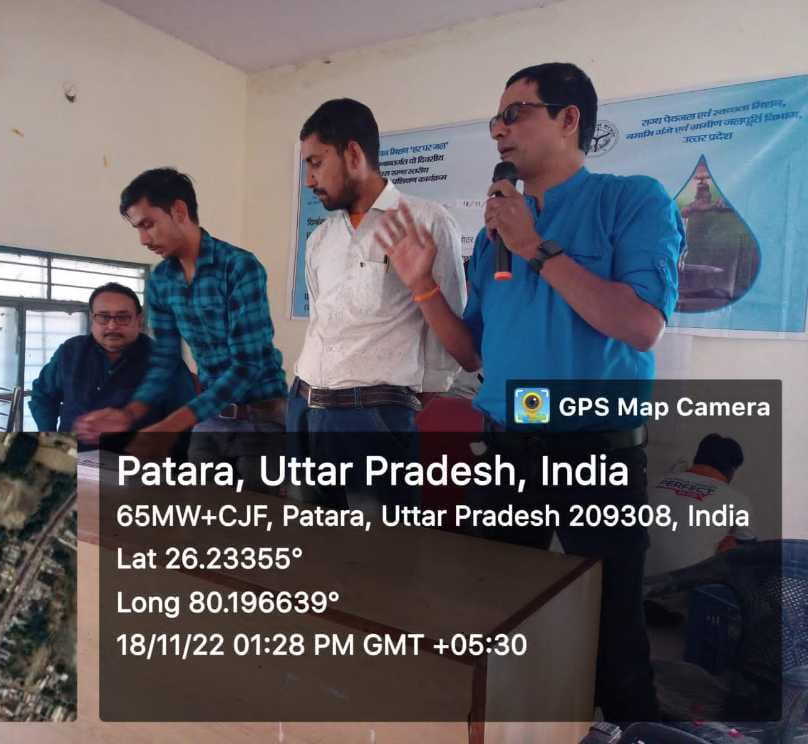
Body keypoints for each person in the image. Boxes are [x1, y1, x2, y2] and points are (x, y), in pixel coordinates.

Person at [378, 63, 685, 723]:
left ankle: (631, 730)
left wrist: (536, 247)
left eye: (515, 113)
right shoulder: (496, 235)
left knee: (613, 636)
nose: (498, 129)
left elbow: (640, 325)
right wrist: (422, 285)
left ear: (569, 119)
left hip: (596, 456)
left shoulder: (631, 200)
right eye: (495, 119)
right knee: (488, 616)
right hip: (505, 452)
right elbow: (473, 353)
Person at [288, 98, 466, 509]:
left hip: (370, 419)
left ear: (353, 155)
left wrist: (390, 410)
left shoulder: (426, 222)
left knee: (377, 546)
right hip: (303, 408)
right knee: (308, 538)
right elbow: (320, 324)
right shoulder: (320, 238)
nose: (309, 179)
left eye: (316, 163)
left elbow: (448, 340)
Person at [75, 168, 287, 484]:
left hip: (262, 421)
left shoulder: (239, 266)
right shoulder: (161, 280)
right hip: (209, 417)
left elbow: (248, 366)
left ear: (179, 211)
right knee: (195, 510)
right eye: (137, 229)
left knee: (254, 514)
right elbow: (165, 359)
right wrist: (130, 413)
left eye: (148, 224)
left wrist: (171, 426)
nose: (143, 240)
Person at [28, 282, 195, 441]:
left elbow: (187, 414)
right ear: (92, 320)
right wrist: (50, 435)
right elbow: (42, 395)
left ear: (139, 321)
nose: (112, 326)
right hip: (72, 451)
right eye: (103, 317)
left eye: (123, 317)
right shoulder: (70, 351)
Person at [646, 434, 754, 576]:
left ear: (696, 458)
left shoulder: (653, 482)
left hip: (633, 578)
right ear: (731, 470)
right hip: (686, 585)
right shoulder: (736, 499)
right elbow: (750, 552)